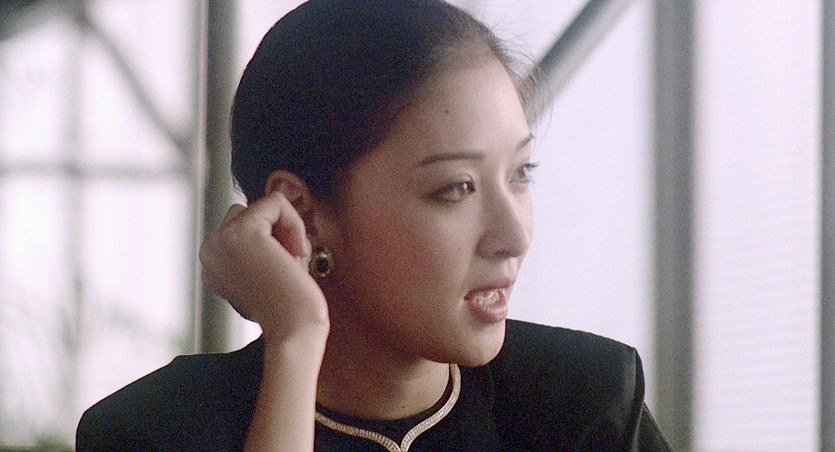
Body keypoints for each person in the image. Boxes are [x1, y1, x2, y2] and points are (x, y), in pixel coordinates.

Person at [76, 0, 672, 450]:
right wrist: (296, 339)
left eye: (521, 173)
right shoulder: (154, 430)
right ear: (303, 211)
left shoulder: (585, 403)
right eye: (455, 189)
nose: (513, 237)